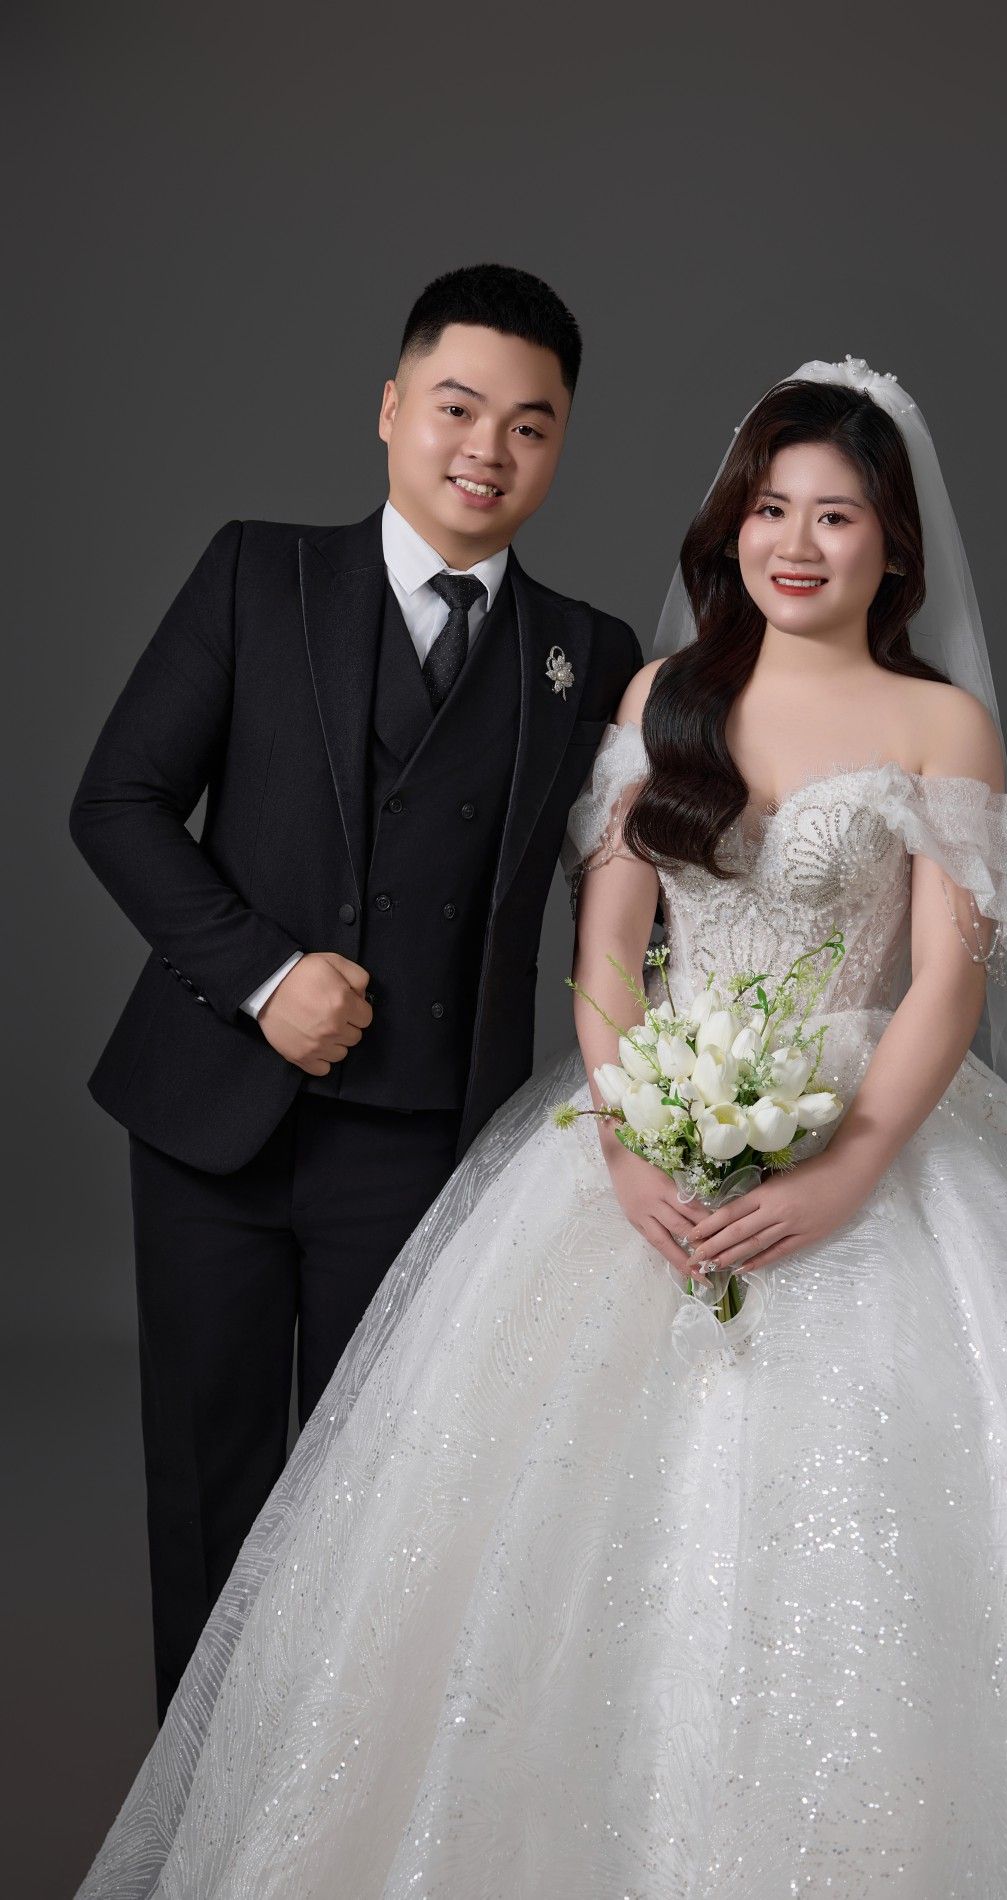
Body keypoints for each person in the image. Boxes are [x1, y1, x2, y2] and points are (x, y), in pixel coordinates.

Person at [75, 360, 1007, 1898]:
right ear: (733, 527)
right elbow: (605, 949)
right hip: (645, 1109)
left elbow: (945, 987)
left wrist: (846, 1172)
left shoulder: (940, 724)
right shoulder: (660, 697)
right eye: (771, 508)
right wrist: (631, 1141)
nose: (796, 542)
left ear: (894, 546)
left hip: (872, 1128)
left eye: (836, 515)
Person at [68, 263, 642, 1720]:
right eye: (456, 407)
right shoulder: (257, 575)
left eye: (529, 425)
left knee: (378, 1503)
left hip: (421, 1142)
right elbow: (117, 803)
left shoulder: (590, 656)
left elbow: (639, 888)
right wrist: (264, 977)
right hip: (211, 1117)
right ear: (391, 409)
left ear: (560, 445)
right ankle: (198, 1809)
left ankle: (324, 1806)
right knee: (209, 1484)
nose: (487, 450)